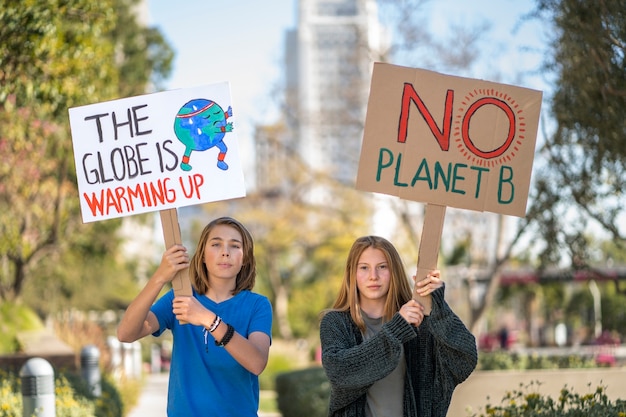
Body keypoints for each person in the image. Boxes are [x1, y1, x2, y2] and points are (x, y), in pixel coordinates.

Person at [117, 216, 272, 416]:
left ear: (245, 259)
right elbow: (126, 333)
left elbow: (257, 363)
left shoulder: (257, 305)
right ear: (203, 256)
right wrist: (160, 277)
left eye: (235, 246)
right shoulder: (181, 297)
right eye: (216, 244)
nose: (225, 252)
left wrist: (209, 320)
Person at [319, 236, 477, 417]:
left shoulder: (417, 321)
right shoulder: (335, 322)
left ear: (394, 271)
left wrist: (439, 309)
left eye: (382, 267)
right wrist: (396, 328)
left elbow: (464, 359)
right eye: (364, 267)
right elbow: (340, 373)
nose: (373, 276)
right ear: (352, 273)